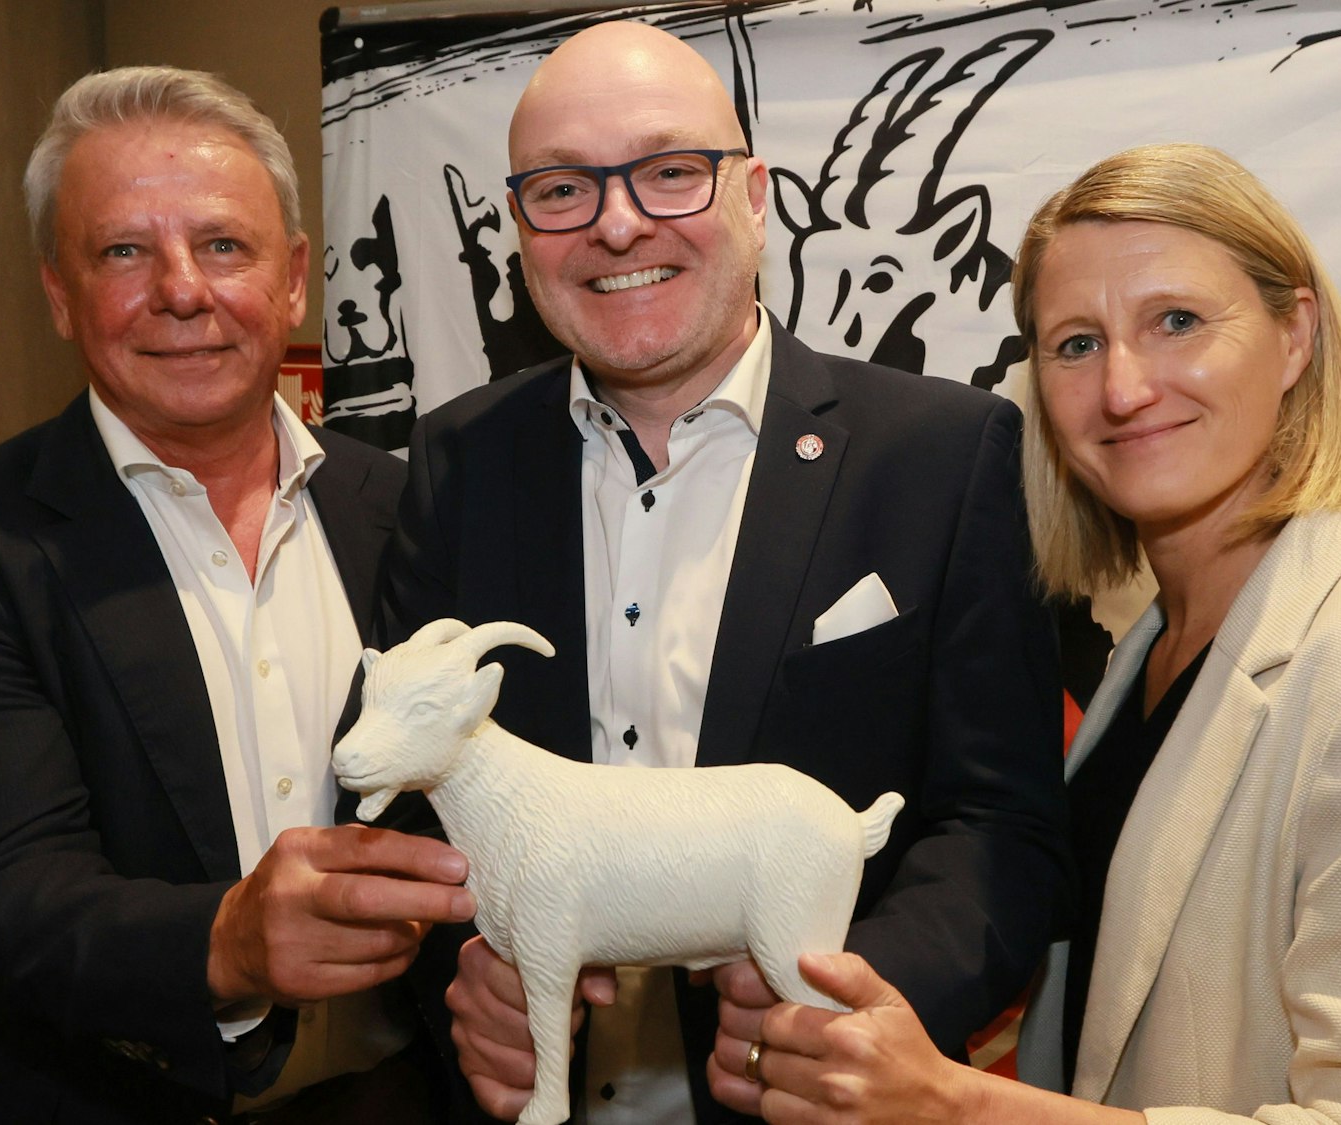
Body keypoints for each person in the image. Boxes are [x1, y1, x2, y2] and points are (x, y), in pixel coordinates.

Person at [732, 143, 1341, 1124]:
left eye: (1175, 321)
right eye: (1075, 343)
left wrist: (954, 1110)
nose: (1123, 387)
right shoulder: (1161, 640)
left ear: (1294, 334)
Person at [382, 20, 1071, 1125]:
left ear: (755, 196)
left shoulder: (943, 456)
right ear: (520, 230)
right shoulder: (455, 463)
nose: (615, 224)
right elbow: (416, 805)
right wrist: (463, 969)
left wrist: (859, 991)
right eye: (560, 190)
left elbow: (998, 824)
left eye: (667, 173)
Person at [0, 67, 476, 1124]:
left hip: (406, 1092)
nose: (181, 289)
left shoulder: (408, 503)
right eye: (124, 251)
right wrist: (226, 939)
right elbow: (4, 893)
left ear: (289, 281)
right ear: (60, 293)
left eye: (222, 246)